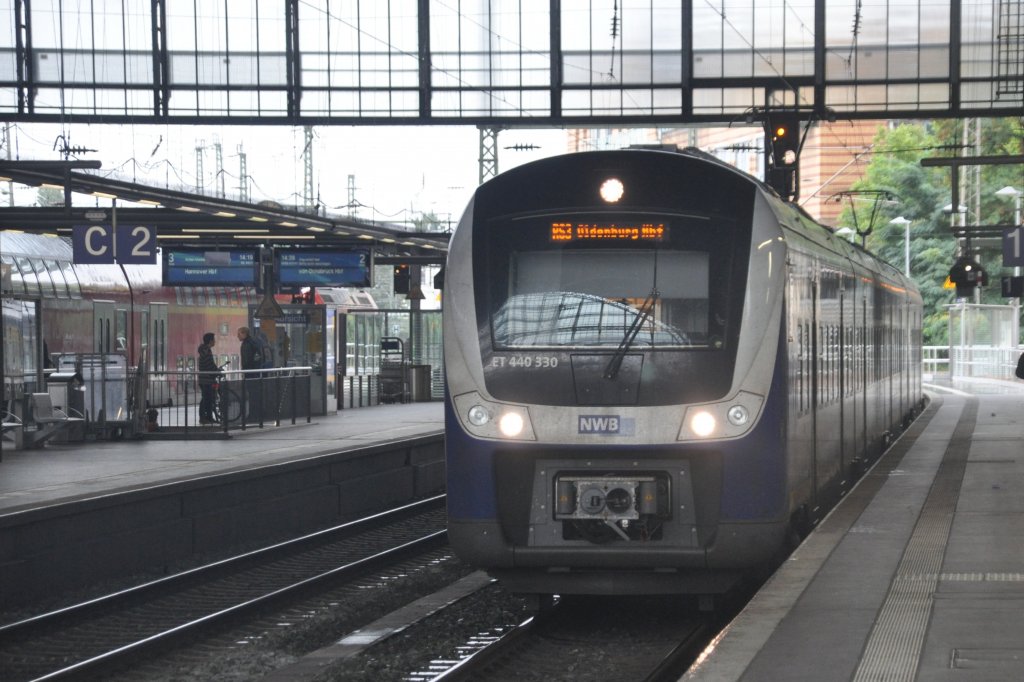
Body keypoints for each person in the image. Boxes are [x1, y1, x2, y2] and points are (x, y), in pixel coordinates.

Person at [237, 326, 262, 422]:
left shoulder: (246, 344)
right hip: (255, 373)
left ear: (244, 334)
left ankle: (252, 416)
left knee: (251, 395)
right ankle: (256, 414)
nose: (237, 336)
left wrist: (245, 371)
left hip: (249, 374)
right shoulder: (254, 342)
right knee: (254, 395)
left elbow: (246, 361)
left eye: (239, 334)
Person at [197, 332, 218, 425]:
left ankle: (209, 417)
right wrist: (217, 371)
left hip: (205, 378)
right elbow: (209, 364)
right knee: (206, 399)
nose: (215, 341)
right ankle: (203, 417)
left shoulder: (205, 350)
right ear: (210, 341)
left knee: (208, 398)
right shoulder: (206, 351)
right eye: (214, 340)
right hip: (206, 379)